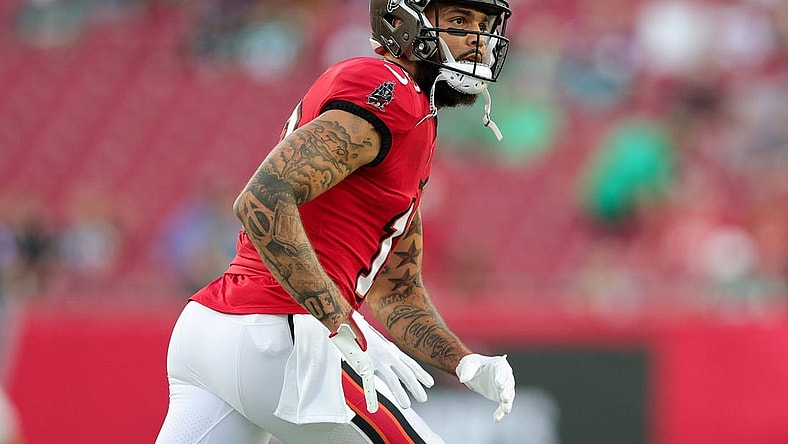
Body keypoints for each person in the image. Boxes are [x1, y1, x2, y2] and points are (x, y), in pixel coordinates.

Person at [156, 1, 516, 442]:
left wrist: (463, 362)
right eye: (460, 21)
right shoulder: (391, 91)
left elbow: (395, 287)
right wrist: (336, 319)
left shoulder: (415, 115)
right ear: (402, 21)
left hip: (218, 328)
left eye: (483, 24)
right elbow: (261, 198)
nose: (477, 41)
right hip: (280, 331)